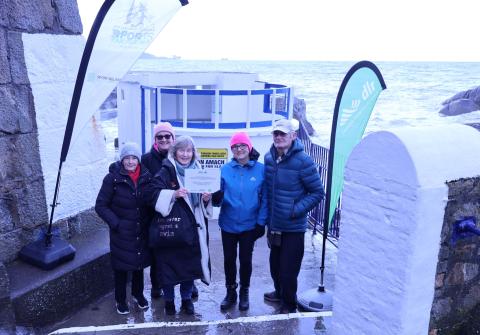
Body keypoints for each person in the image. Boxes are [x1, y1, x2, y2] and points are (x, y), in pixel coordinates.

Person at [144, 136, 212, 315]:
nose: (185, 154)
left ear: (193, 153)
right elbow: (151, 194)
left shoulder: (199, 170)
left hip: (191, 229)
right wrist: (173, 195)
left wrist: (206, 199)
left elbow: (203, 203)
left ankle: (187, 299)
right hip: (171, 229)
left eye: (189, 150)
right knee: (168, 267)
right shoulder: (166, 170)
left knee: (188, 266)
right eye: (181, 150)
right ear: (174, 152)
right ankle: (169, 301)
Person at [263, 119, 325, 313]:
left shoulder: (304, 161)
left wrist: (295, 210)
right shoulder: (269, 158)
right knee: (275, 267)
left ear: (293, 136)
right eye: (276, 134)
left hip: (293, 228)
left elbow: (317, 192)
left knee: (289, 271)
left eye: (283, 134)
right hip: (274, 226)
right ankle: (280, 293)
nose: (279, 137)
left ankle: (289, 304)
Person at [95, 142, 152, 315]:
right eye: (127, 158)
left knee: (139, 265)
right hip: (121, 232)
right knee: (120, 268)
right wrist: (116, 223)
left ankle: (138, 294)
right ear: (122, 160)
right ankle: (120, 300)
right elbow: (101, 205)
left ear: (138, 160)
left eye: (134, 158)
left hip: (140, 230)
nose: (130, 161)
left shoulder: (146, 177)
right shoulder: (112, 179)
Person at [214, 132, 267, 311]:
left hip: (249, 225)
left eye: (242, 145)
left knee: (245, 260)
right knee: (229, 260)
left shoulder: (261, 170)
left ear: (249, 147)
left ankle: (244, 290)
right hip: (228, 224)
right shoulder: (225, 169)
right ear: (232, 150)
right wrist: (213, 197)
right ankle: (231, 292)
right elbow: (218, 197)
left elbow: (265, 198)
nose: (239, 149)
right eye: (235, 147)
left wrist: (261, 222)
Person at [141, 122, 175, 299]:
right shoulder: (146, 159)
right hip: (155, 212)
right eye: (159, 137)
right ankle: (156, 284)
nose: (164, 139)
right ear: (155, 139)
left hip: (177, 211)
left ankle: (186, 282)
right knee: (157, 251)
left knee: (179, 249)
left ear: (172, 138)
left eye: (167, 136)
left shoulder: (179, 155)